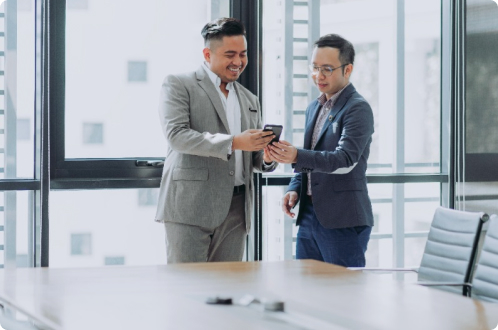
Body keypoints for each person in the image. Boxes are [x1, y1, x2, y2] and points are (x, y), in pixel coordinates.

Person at [154, 18, 277, 264]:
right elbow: (177, 136)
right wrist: (233, 142)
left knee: (227, 290)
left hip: (238, 209)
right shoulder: (179, 85)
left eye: (243, 54)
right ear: (207, 54)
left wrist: (266, 157)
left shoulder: (250, 99)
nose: (238, 62)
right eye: (230, 54)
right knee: (188, 288)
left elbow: (250, 156)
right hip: (191, 205)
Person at [267, 34, 374, 267]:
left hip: (342, 220)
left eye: (327, 68)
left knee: (343, 296)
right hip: (308, 216)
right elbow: (310, 157)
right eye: (314, 67)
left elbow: (345, 160)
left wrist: (296, 155)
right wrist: (295, 188)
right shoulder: (314, 107)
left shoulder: (358, 108)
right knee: (308, 292)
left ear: (348, 70)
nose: (318, 75)